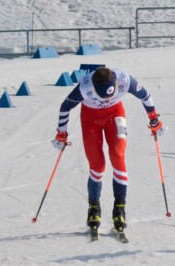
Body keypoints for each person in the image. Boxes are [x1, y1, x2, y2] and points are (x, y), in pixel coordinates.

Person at [52, 66, 167, 238]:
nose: (107, 99)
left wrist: (154, 119)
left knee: (118, 156)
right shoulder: (84, 86)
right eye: (102, 97)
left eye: (110, 95)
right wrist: (62, 133)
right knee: (97, 165)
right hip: (91, 119)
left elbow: (145, 96)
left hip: (115, 115)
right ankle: (94, 207)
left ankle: (119, 208)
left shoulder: (125, 80)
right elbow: (65, 107)